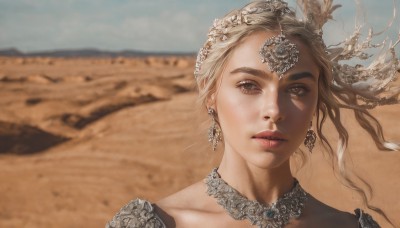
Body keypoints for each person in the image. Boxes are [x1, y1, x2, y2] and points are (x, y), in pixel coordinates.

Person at [106, 0, 399, 227]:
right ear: (210, 93)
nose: (274, 111)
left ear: (317, 102)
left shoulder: (349, 226)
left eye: (297, 89)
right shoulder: (153, 224)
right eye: (249, 85)